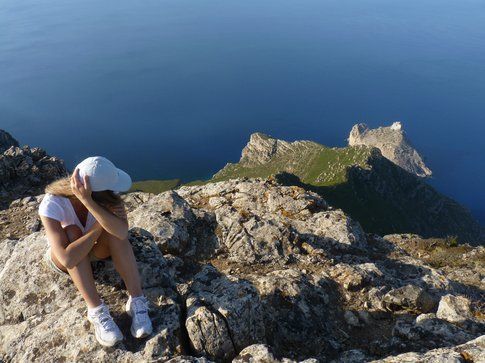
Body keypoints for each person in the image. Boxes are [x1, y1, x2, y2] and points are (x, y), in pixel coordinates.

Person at [38, 156, 153, 347]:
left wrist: (89, 203)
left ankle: (137, 301)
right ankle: (96, 310)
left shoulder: (109, 197)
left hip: (96, 248)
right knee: (73, 231)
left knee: (115, 233)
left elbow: (122, 232)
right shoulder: (52, 203)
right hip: (66, 255)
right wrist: (100, 223)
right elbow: (67, 259)